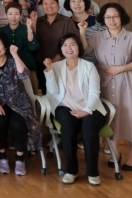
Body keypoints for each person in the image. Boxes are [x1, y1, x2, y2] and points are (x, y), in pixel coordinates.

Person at [86, 3, 132, 171]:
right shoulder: (97, 37)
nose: (111, 20)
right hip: (105, 83)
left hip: (127, 83)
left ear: (121, 18)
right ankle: (115, 153)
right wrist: (82, 32)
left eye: (115, 16)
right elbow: (83, 50)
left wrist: (121, 68)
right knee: (111, 119)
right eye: (107, 17)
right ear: (103, 19)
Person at [43, 34, 107, 186]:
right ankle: (71, 170)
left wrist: (87, 110)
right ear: (61, 49)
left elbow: (94, 92)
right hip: (65, 106)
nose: (68, 48)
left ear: (79, 47)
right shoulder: (56, 66)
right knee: (68, 125)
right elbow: (53, 91)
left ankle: (92, 172)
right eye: (65, 45)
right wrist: (49, 71)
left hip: (89, 106)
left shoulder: (89, 66)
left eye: (72, 44)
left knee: (89, 128)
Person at [0, 30, 42, 176]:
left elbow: (24, 74)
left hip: (19, 104)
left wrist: (15, 54)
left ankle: (20, 158)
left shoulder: (13, 61)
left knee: (18, 124)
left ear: (5, 46)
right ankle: (2, 157)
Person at [35, 0, 80, 94]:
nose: (49, 6)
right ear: (42, 6)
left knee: (62, 92)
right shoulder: (38, 21)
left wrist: (54, 60)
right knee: (46, 92)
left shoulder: (67, 21)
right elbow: (34, 42)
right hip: (41, 64)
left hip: (63, 63)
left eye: (52, 3)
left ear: (58, 4)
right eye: (45, 3)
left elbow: (73, 42)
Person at [0, 3, 39, 93]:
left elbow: (32, 47)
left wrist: (29, 29)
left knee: (32, 95)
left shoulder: (26, 29)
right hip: (8, 71)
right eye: (10, 14)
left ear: (21, 16)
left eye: (16, 14)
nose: (13, 17)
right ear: (6, 15)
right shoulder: (1, 31)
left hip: (28, 67)